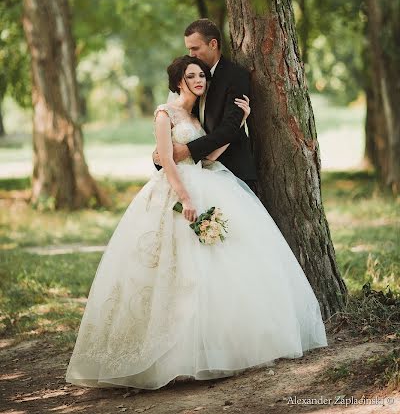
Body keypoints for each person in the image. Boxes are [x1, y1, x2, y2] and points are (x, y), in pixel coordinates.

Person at [65, 55, 328, 391]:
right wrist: (185, 198)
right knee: (167, 270)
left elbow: (206, 155)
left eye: (202, 74)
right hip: (175, 194)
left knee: (210, 268)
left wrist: (239, 123)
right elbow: (167, 162)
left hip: (205, 182)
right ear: (179, 81)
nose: (200, 79)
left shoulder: (196, 117)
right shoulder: (165, 113)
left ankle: (209, 349)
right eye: (192, 75)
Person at [154, 18, 258, 193]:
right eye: (189, 49)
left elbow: (229, 127)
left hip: (232, 171)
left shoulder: (236, 76)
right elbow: (176, 122)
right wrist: (160, 156)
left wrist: (187, 150)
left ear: (213, 44)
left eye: (195, 48)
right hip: (195, 175)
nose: (191, 53)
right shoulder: (189, 79)